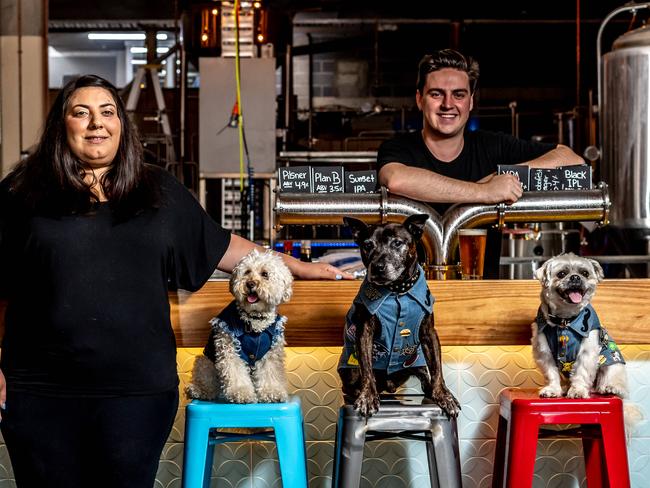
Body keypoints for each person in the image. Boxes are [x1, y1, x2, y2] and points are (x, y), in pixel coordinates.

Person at [0, 74, 351, 488]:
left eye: (107, 112)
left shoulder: (157, 190)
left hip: (138, 394)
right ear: (62, 126)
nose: (97, 123)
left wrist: (296, 265)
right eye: (82, 113)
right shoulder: (23, 192)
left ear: (122, 125)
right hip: (40, 393)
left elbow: (218, 246)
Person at [377, 49, 585, 276]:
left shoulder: (493, 146)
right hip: (411, 294)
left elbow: (571, 159)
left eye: (459, 95)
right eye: (436, 94)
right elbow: (397, 179)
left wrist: (505, 176)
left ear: (470, 101)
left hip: (480, 289)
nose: (448, 104)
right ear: (419, 99)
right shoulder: (398, 147)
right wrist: (484, 191)